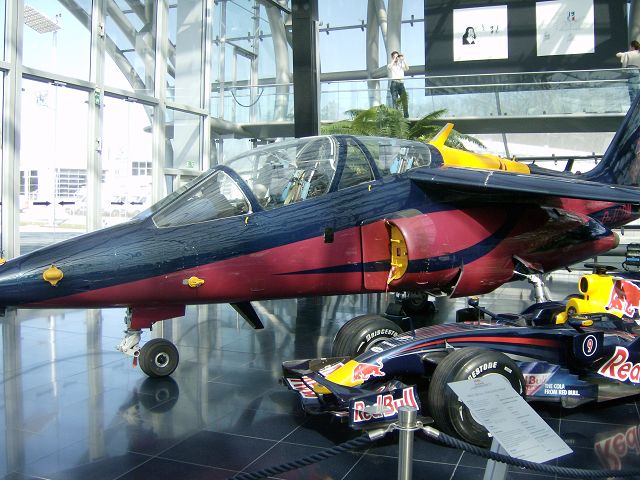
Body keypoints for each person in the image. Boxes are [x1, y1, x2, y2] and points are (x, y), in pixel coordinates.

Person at [387, 51, 409, 118]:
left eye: (397, 56)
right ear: (392, 57)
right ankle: (396, 116)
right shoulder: (391, 64)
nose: (396, 58)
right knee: (395, 100)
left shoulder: (401, 64)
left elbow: (407, 68)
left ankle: (406, 115)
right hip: (394, 83)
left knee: (404, 99)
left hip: (401, 84)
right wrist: (394, 59)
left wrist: (403, 60)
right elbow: (389, 67)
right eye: (395, 56)